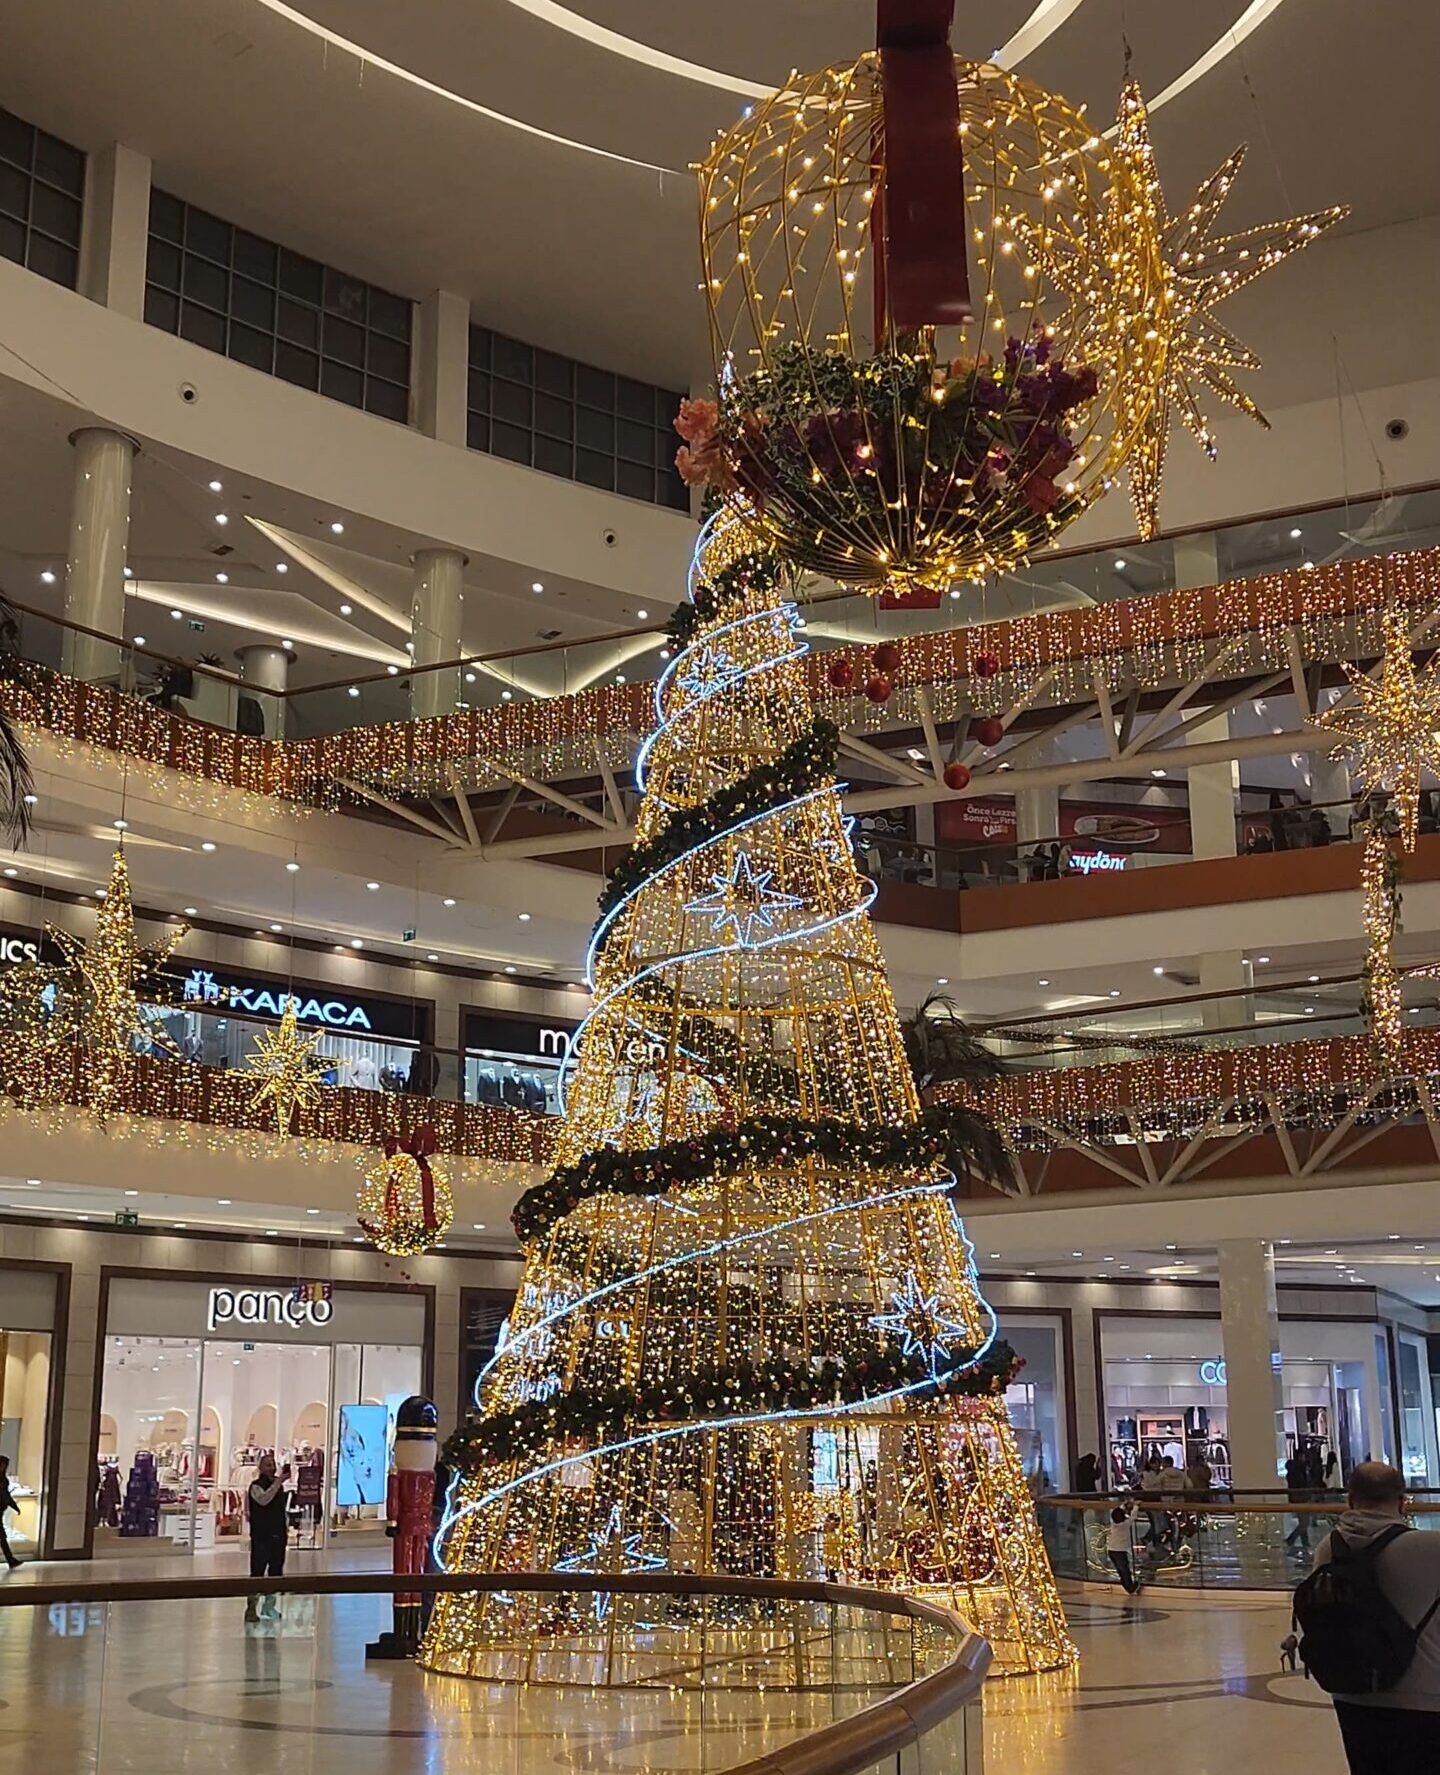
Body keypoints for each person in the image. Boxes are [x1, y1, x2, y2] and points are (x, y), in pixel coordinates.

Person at [1310, 1461, 1440, 1770]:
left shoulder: (1327, 1549)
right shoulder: (1430, 1547)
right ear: (1402, 1501)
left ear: (1351, 1500)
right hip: (1423, 1697)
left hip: (1352, 1693)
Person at [245, 1452, 289, 1622]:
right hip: (261, 1535)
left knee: (276, 1571)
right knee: (257, 1571)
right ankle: (251, 1608)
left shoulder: (279, 1486)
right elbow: (264, 1500)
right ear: (261, 1468)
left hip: (278, 1534)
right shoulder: (255, 1486)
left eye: (273, 1464)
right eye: (268, 1465)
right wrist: (278, 1482)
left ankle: (269, 1606)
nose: (272, 1468)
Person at [1106, 1503, 1144, 1595]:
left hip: (1111, 1550)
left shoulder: (1113, 1525)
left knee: (1121, 1570)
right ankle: (1130, 1587)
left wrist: (1124, 1505)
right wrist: (1136, 1506)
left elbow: (1119, 1512)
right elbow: (1133, 1516)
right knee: (1124, 1570)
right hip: (1120, 1551)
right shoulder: (1125, 1525)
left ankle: (1128, 1586)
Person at [1156, 1455, 1188, 1550]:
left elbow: (1155, 1484)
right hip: (1179, 1502)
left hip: (1166, 1503)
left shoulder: (1162, 1474)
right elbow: (1190, 1485)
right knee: (1180, 1522)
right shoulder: (1181, 1474)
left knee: (1167, 1523)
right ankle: (1178, 1541)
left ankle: (1168, 1542)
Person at [1286, 1451, 1314, 1557]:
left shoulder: (1292, 1471)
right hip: (1301, 1498)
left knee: (1303, 1521)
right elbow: (1303, 1484)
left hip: (1296, 1498)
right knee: (1304, 1522)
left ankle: (1304, 1541)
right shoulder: (1299, 1471)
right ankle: (1291, 1539)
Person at [0, 1456, 21, 1568]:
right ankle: (10, 1559)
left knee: (2, 1537)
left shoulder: (4, 1480)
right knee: (2, 1537)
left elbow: (6, 1495)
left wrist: (14, 1506)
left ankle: (11, 1559)